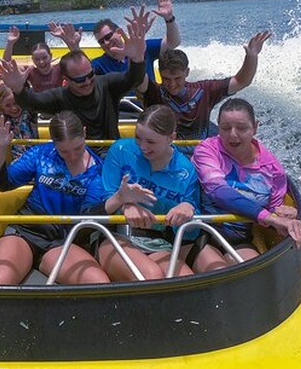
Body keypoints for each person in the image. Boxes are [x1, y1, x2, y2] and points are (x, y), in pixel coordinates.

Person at [84, 105, 225, 280]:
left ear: (171, 138)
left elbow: (190, 232)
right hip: (115, 235)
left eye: (151, 142)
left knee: (184, 281)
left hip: (159, 241)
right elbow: (105, 197)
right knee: (151, 275)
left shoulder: (186, 171)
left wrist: (187, 208)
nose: (142, 147)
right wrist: (125, 202)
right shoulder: (121, 151)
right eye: (138, 138)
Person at [0, 111, 109, 285]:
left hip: (64, 239)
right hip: (27, 230)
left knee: (98, 282)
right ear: (53, 142)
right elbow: (3, 184)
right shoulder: (41, 154)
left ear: (84, 133)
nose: (72, 156)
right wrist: (0, 150)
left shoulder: (98, 172)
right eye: (64, 152)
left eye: (77, 148)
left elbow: (87, 219)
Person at [0, 9, 150, 142]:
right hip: (77, 154)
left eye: (90, 75)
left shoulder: (107, 84)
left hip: (108, 152)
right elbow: (32, 103)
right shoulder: (60, 97)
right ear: (66, 79)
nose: (87, 82)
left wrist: (137, 59)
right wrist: (17, 89)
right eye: (80, 80)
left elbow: (133, 79)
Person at [192, 98, 301, 264]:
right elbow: (218, 191)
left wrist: (284, 213)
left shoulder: (273, 170)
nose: (233, 134)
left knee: (252, 270)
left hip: (239, 239)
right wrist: (270, 218)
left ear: (255, 127)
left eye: (241, 128)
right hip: (200, 232)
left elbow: (275, 210)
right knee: (217, 270)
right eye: (225, 128)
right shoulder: (207, 150)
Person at [141, 30, 272, 141]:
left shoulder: (203, 90)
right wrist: (136, 54)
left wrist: (252, 56)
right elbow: (138, 79)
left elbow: (241, 81)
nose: (172, 84)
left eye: (177, 78)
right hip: (169, 156)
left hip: (203, 155)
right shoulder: (154, 92)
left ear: (186, 72)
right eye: (166, 79)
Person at [91, 0, 181, 83]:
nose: (106, 43)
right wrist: (75, 47)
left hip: (149, 96)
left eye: (108, 36)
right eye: (101, 41)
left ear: (118, 32)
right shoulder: (99, 64)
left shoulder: (143, 47)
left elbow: (173, 42)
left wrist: (169, 18)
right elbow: (81, 77)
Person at [2, 22, 81, 92]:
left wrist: (72, 43)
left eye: (44, 58)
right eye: (37, 59)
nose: (41, 62)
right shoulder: (30, 72)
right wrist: (10, 43)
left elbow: (79, 62)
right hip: (39, 106)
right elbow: (7, 66)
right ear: (32, 60)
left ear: (50, 56)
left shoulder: (59, 69)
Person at [0, 84, 38, 159]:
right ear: (1, 106)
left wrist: (20, 83)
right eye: (8, 105)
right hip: (16, 159)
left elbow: (32, 99)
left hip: (34, 157)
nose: (14, 108)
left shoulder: (29, 114)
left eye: (16, 103)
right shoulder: (2, 120)